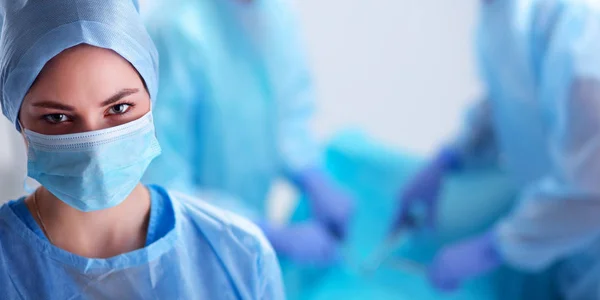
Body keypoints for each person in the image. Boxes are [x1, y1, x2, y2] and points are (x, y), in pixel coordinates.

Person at [0, 0, 284, 299]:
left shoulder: (238, 254)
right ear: (18, 118)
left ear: (152, 97)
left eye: (119, 107)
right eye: (57, 117)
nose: (95, 147)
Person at [390, 0, 600, 298]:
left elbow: (593, 186)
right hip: (577, 254)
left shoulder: (585, 25)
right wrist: (451, 157)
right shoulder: (500, 13)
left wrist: (496, 247)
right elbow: (515, 102)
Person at [141, 0, 354, 265]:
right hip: (183, 254)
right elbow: (163, 181)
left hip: (247, 243)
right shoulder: (175, 29)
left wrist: (311, 176)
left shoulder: (277, 16)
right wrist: (261, 232)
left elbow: (288, 118)